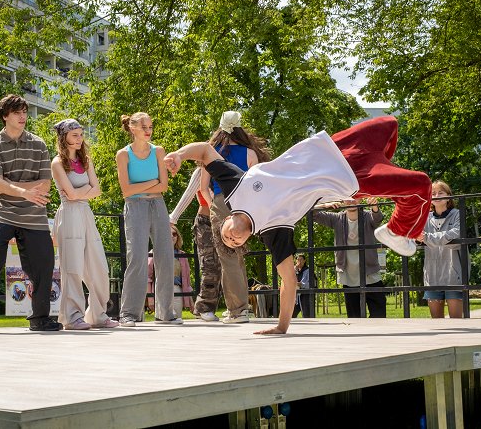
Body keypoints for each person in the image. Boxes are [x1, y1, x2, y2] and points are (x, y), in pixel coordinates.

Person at [164, 116, 431, 334]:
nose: (233, 238)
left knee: (388, 124)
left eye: (227, 235)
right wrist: (281, 326)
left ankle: (387, 173)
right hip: (348, 177)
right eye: (235, 242)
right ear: (246, 241)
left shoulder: (236, 187)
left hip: (329, 149)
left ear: (227, 219)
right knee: (420, 185)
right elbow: (288, 282)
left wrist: (178, 154)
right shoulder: (273, 231)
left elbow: (204, 151)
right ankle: (399, 230)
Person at [0, 94, 63, 333]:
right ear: (4, 116)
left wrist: (18, 189)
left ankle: (40, 317)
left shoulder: (39, 144)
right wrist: (22, 190)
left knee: (44, 261)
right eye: (17, 113)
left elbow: (45, 184)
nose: (23, 117)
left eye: (24, 112)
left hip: (33, 207)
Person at [199, 111, 271, 324]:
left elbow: (203, 188)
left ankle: (237, 310)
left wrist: (215, 207)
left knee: (227, 257)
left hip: (221, 201)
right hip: (244, 205)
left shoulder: (211, 153)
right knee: (238, 255)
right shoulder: (250, 153)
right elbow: (258, 185)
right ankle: (241, 307)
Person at [51, 119, 119, 330]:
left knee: (98, 264)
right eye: (75, 135)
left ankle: (98, 314)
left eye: (81, 134)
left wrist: (76, 194)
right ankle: (72, 317)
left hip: (86, 214)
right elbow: (71, 195)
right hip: (69, 216)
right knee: (72, 267)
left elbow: (97, 190)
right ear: (64, 138)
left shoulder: (86, 160)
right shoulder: (57, 163)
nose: (80, 138)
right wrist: (83, 192)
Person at [116, 112, 182, 327]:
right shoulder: (123, 155)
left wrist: (144, 185)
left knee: (165, 256)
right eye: (143, 126)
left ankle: (165, 312)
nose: (148, 130)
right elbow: (126, 191)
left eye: (150, 126)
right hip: (134, 206)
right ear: (132, 128)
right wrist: (152, 181)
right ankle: (129, 313)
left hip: (158, 204)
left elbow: (163, 186)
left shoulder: (158, 151)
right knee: (136, 257)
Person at [313, 199, 387, 318]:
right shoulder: (337, 218)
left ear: (360, 199)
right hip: (348, 276)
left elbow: (377, 219)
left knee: (379, 313)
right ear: (342, 200)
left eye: (355, 197)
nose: (351, 201)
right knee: (354, 318)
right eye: (347, 197)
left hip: (370, 273)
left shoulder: (367, 215)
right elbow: (312, 214)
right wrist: (325, 205)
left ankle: (374, 336)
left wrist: (375, 206)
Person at [169, 168, 222, 321]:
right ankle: (204, 307)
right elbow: (188, 195)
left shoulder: (228, 167)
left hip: (224, 221)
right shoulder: (201, 171)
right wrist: (173, 218)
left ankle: (227, 307)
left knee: (226, 265)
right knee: (209, 263)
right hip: (205, 222)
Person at [416, 180, 463, 318]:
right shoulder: (425, 217)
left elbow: (455, 235)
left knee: (457, 323)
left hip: (453, 274)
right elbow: (416, 237)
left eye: (440, 192)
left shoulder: (457, 214)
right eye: (433, 193)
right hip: (432, 275)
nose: (436, 196)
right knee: (437, 323)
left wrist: (428, 238)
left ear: (448, 196)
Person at [147, 224, 194, 317]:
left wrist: (190, 300)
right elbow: (147, 278)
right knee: (163, 320)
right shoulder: (154, 253)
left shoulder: (182, 255)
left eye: (174, 234)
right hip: (160, 290)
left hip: (177, 290)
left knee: (177, 320)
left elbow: (187, 281)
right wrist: (150, 299)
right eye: (168, 233)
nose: (172, 236)